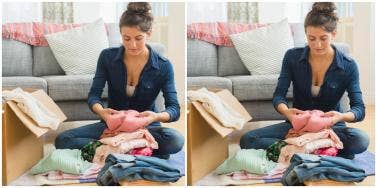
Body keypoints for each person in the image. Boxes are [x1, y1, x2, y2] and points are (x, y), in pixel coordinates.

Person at [240, 2, 369, 159]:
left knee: (361, 140)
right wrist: (286, 112)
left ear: (334, 34)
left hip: (331, 128)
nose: (317, 44)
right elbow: (278, 96)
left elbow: (359, 109)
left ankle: (300, 148)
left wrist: (340, 117)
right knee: (248, 139)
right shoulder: (292, 57)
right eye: (311, 38)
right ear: (305, 34)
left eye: (323, 38)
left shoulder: (348, 65)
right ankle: (317, 148)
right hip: (297, 126)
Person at [55, 2, 184, 159]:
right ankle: (132, 148)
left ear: (149, 33)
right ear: (120, 34)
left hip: (146, 127)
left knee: (176, 141)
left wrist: (155, 117)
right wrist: (102, 112)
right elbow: (93, 96)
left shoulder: (163, 66)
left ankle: (115, 148)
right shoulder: (107, 57)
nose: (132, 45)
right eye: (126, 38)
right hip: (112, 126)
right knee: (63, 139)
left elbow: (174, 109)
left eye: (139, 38)